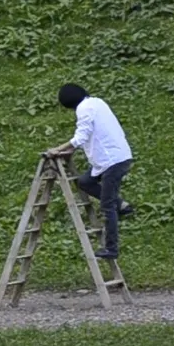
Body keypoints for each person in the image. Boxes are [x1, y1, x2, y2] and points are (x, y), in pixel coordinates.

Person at [46, 83, 134, 260]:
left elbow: (82, 136)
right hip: (115, 157)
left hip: (112, 161)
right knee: (85, 182)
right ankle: (121, 205)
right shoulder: (97, 102)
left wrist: (58, 148)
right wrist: (70, 150)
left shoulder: (84, 109)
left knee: (107, 206)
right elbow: (92, 134)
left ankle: (111, 248)